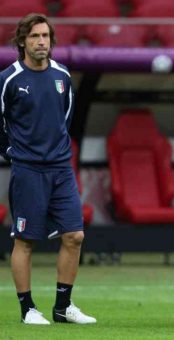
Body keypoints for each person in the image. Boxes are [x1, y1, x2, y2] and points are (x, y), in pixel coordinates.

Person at [0, 14, 95, 325]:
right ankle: (28, 308)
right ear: (22, 41)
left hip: (61, 168)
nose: (41, 42)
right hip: (27, 171)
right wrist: (12, 152)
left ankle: (62, 307)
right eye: (35, 36)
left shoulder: (62, 76)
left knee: (75, 236)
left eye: (46, 36)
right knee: (25, 241)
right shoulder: (9, 79)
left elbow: (64, 119)